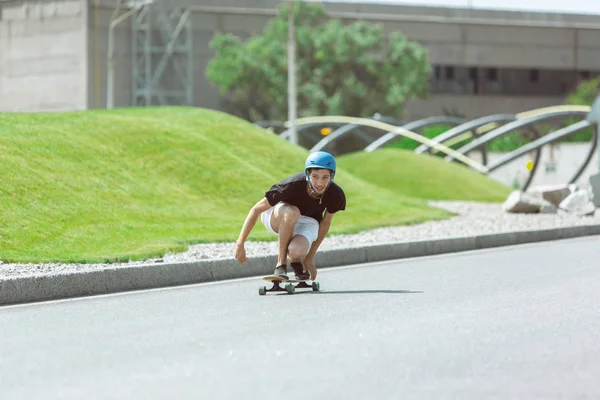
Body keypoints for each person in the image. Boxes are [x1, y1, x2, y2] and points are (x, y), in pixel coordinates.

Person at [233, 151, 346, 281]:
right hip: (279, 214)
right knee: (292, 212)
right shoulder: (292, 185)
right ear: (308, 175)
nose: (320, 183)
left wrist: (309, 257)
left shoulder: (336, 195)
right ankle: (280, 265)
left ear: (332, 177)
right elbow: (256, 210)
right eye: (315, 176)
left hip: (308, 221)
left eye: (325, 177)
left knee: (296, 251)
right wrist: (240, 243)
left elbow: (325, 223)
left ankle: (295, 262)